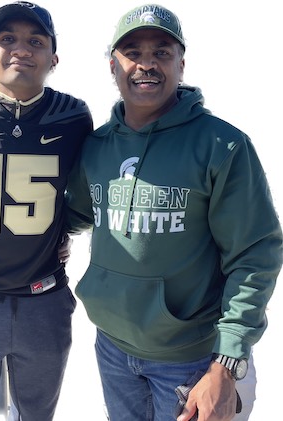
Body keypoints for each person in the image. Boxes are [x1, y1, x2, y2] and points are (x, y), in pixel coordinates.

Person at [65, 4, 282, 421]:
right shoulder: (96, 146)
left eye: (162, 52)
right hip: (112, 348)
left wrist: (227, 365)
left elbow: (256, 256)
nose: (147, 64)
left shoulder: (223, 146)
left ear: (182, 64)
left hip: (191, 359)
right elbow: (74, 214)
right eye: (133, 52)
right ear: (113, 65)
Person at [0, 2, 93, 420]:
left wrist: (68, 228)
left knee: (37, 413)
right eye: (7, 39)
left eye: (35, 41)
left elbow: (89, 186)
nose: (21, 49)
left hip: (43, 295)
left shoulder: (75, 116)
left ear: (53, 59)